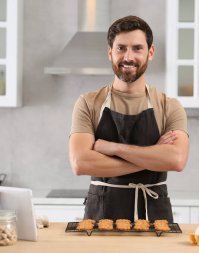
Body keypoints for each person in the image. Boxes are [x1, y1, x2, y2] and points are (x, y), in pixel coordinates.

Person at [69, 15, 189, 223]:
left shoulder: (169, 106)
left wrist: (114, 148)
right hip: (101, 217)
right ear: (110, 53)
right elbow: (80, 162)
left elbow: (176, 160)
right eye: (121, 48)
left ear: (150, 52)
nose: (128, 56)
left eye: (137, 48)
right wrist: (152, 158)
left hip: (154, 217)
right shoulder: (88, 103)